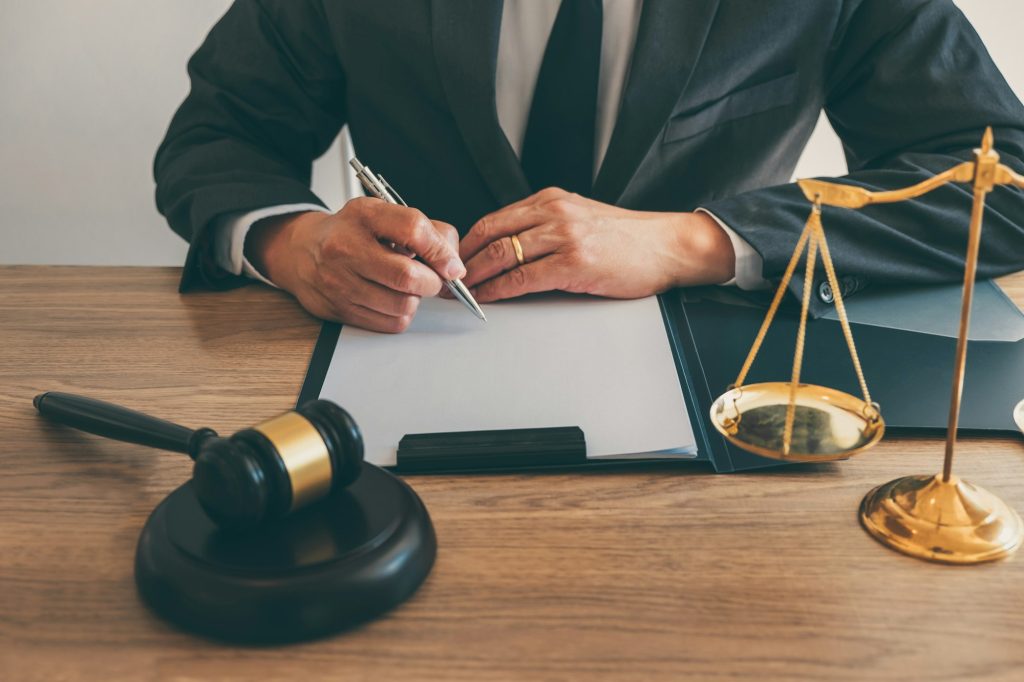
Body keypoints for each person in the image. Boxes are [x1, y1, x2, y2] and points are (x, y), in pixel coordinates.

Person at [155, 0, 1024, 333]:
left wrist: (697, 242)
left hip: (724, 406)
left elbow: (1007, 180)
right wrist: (289, 242)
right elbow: (216, 136)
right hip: (404, 366)